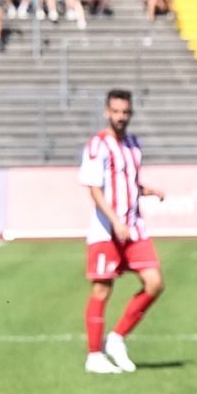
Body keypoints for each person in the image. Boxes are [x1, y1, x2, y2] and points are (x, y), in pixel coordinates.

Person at [80, 89, 166, 376]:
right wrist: (115, 221)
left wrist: (148, 190)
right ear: (107, 112)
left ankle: (116, 338)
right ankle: (94, 355)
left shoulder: (133, 144)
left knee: (154, 283)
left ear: (131, 113)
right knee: (102, 289)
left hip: (134, 227)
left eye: (125, 112)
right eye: (115, 112)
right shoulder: (97, 145)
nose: (120, 117)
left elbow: (128, 181)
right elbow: (94, 188)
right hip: (107, 230)